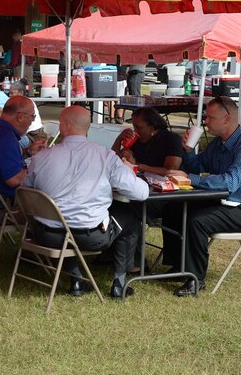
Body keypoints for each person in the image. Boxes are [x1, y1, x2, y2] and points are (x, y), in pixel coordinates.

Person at [23, 106, 149, 300]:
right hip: (90, 237)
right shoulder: (105, 156)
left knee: (65, 220)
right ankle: (119, 283)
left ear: (65, 126)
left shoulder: (41, 157)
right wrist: (127, 170)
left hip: (47, 235)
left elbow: (26, 189)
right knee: (130, 220)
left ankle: (76, 279)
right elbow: (141, 193)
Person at [164, 96, 241, 296]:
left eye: (210, 117)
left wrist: (191, 178)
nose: (205, 121)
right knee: (174, 208)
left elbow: (230, 182)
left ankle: (195, 279)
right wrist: (188, 151)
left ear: (227, 118)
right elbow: (197, 166)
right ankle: (179, 266)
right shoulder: (218, 143)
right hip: (224, 201)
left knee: (197, 221)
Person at [112, 106, 184, 176]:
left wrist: (136, 165)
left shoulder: (171, 139)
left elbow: (170, 171)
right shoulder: (136, 139)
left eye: (139, 127)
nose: (135, 131)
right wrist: (119, 140)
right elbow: (113, 159)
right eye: (134, 127)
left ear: (152, 128)